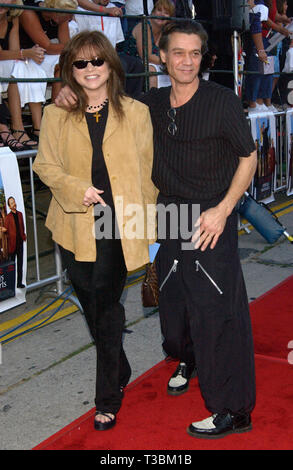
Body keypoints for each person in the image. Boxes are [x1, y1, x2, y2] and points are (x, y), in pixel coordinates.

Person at [54, 20, 257, 439]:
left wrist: (223, 210)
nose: (186, 61)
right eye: (177, 52)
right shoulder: (150, 104)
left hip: (206, 217)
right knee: (173, 310)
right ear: (161, 57)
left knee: (216, 313)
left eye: (195, 53)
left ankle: (232, 410)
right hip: (165, 214)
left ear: (204, 58)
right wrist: (63, 92)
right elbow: (100, 101)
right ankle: (188, 358)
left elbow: (249, 157)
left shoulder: (221, 101)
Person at [33, 30, 157, 430]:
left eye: (97, 61)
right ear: (70, 70)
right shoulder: (57, 112)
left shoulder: (136, 112)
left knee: (106, 304)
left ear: (110, 65)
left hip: (116, 222)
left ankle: (107, 396)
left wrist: (147, 228)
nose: (89, 70)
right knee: (91, 301)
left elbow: (148, 174)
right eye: (80, 63)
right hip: (73, 222)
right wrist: (76, 189)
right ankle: (119, 364)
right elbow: (45, 166)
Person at [0, 0, 46, 149]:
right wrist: (25, 53)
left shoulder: (13, 18)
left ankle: (36, 128)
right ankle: (16, 128)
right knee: (16, 69)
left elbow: (14, 51)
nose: (2, 2)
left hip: (6, 62)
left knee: (29, 68)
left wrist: (28, 53)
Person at [19, 0, 76, 104]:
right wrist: (76, 47)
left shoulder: (62, 17)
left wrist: (73, 48)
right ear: (57, 14)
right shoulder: (29, 12)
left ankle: (58, 108)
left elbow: (67, 45)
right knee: (63, 62)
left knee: (67, 60)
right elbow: (48, 47)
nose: (72, 18)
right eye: (70, 15)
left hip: (43, 55)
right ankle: (56, 109)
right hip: (25, 56)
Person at [120, 0, 175, 88]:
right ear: (153, 12)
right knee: (152, 70)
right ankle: (152, 99)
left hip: (155, 63)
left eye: (166, 13)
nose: (161, 14)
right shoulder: (144, 26)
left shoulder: (164, 31)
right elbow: (146, 56)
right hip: (133, 64)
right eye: (159, 10)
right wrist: (169, 62)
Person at [3, 196, 26, 288]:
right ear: (9, 206)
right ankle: (10, 284)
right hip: (12, 245)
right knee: (11, 266)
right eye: (12, 203)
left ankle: (19, 283)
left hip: (20, 243)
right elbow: (6, 231)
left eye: (14, 202)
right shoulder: (8, 218)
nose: (14, 204)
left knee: (20, 265)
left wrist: (23, 236)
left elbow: (22, 226)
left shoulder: (20, 214)